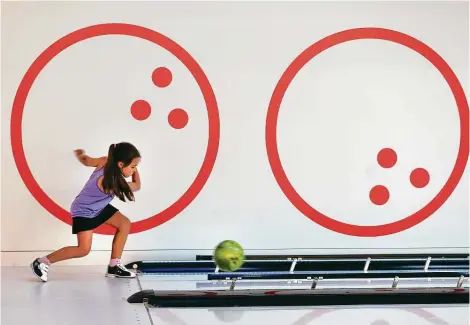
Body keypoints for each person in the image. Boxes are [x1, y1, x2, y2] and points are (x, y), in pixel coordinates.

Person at [30, 142, 142, 282]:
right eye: (133, 167)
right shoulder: (110, 183)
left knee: (124, 223)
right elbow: (137, 186)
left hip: (98, 206)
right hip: (84, 211)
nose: (134, 170)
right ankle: (42, 262)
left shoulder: (105, 161)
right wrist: (134, 170)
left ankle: (114, 266)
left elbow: (87, 161)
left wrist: (80, 155)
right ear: (120, 164)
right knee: (83, 249)